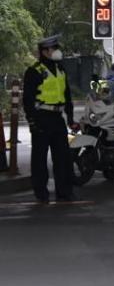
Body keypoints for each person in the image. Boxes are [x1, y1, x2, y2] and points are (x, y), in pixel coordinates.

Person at [22, 34, 78, 204]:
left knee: (63, 157)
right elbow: (28, 99)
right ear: (45, 51)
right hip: (41, 118)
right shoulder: (34, 71)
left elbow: (66, 95)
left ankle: (64, 192)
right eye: (54, 49)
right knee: (39, 159)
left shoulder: (60, 69)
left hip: (57, 118)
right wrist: (32, 121)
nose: (57, 52)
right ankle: (41, 193)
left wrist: (70, 118)